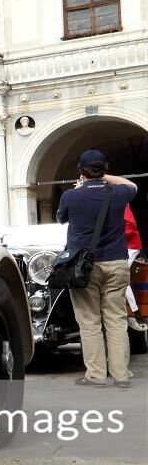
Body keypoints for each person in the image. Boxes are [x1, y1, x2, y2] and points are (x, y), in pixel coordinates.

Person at [56, 149, 138, 388]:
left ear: (81, 172)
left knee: (90, 321)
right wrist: (105, 178)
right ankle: (121, 376)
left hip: (84, 266)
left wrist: (82, 186)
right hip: (116, 262)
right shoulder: (119, 192)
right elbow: (131, 185)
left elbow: (62, 219)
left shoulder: (71, 196)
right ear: (104, 169)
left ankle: (96, 375)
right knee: (116, 320)